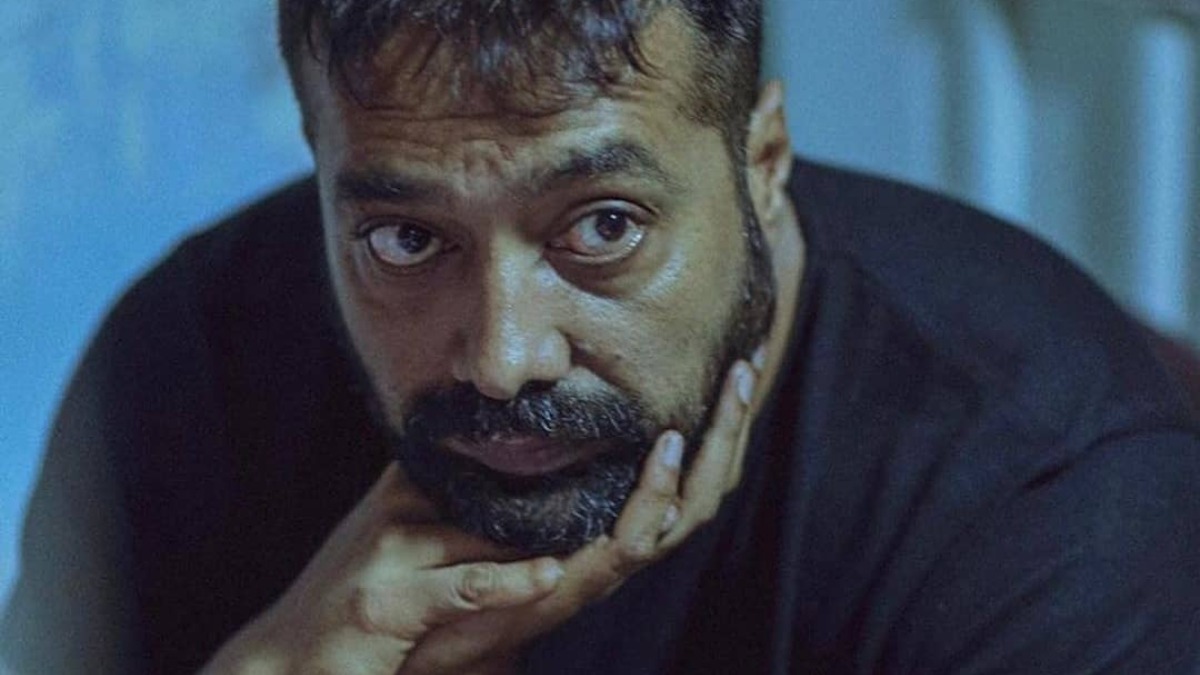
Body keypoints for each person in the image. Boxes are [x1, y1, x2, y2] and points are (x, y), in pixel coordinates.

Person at [3, 1, 1199, 673]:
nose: (501, 357)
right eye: (407, 240)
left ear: (762, 165)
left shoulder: (1044, 496)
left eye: (603, 227)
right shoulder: (180, 375)